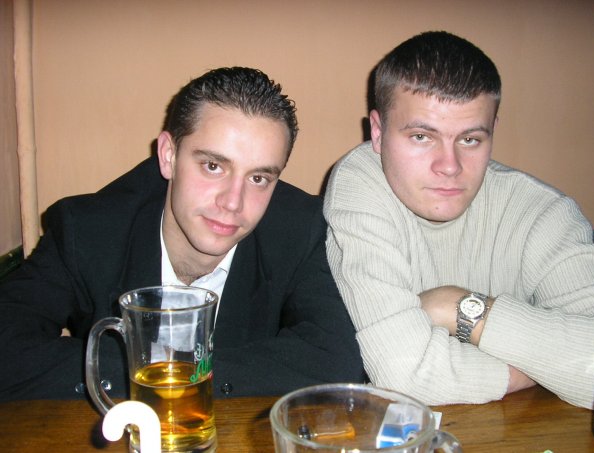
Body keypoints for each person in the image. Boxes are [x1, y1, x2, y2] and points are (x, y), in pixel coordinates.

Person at [0, 67, 365, 402]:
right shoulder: (88, 230)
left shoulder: (302, 231)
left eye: (258, 178)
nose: (232, 202)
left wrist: (179, 376)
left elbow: (335, 360)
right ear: (168, 156)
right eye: (213, 166)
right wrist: (149, 375)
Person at [323, 31, 594, 409]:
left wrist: (459, 307)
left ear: (492, 132)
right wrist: (542, 368)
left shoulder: (544, 214)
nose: (449, 166)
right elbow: (404, 372)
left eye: (470, 139)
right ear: (377, 132)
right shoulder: (362, 181)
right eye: (421, 136)